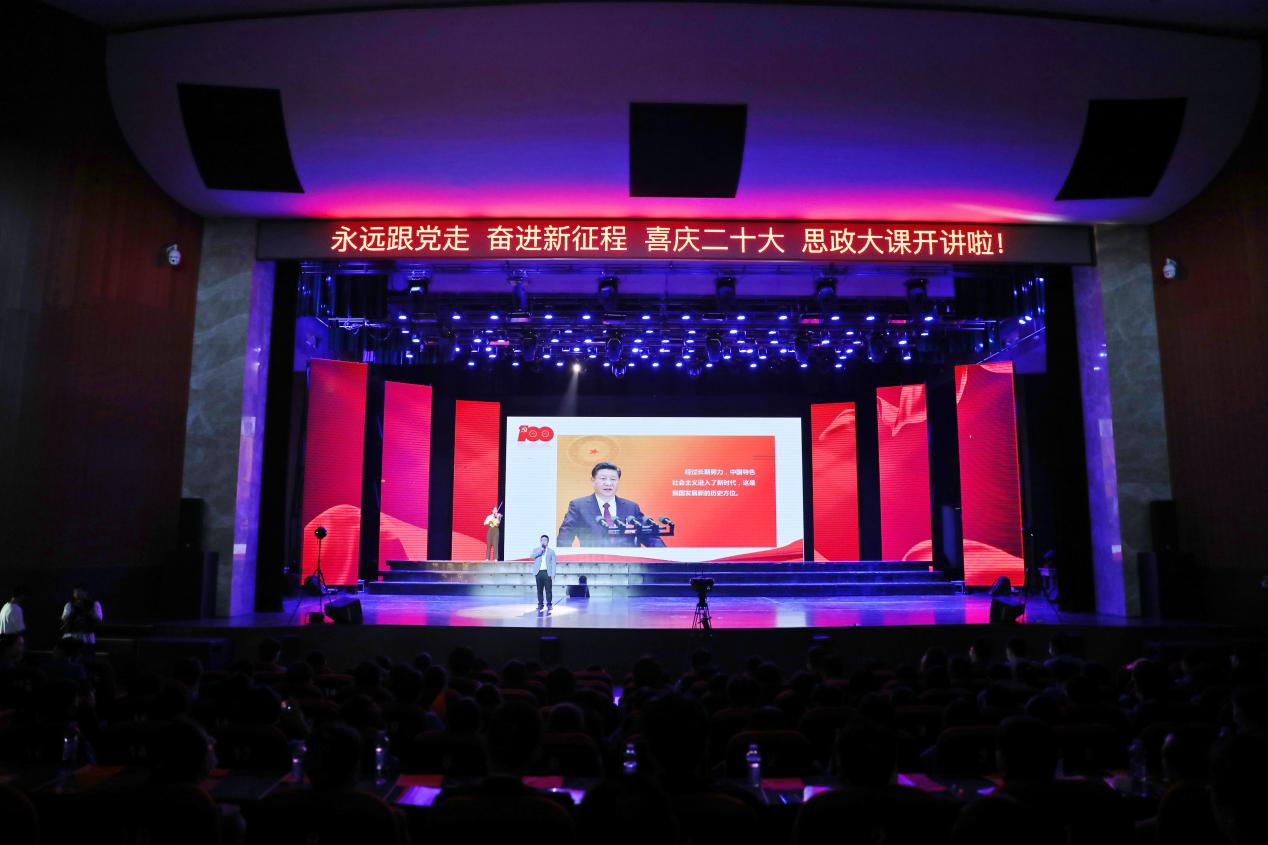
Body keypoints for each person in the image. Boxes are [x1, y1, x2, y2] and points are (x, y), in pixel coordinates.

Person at [556, 461, 666, 547]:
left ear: (618, 482)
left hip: (629, 565)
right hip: (593, 564)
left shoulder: (631, 507)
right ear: (593, 481)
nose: (608, 483)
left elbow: (648, 535)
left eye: (613, 479)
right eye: (603, 479)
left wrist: (665, 554)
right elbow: (565, 537)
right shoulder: (579, 506)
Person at [530, 534, 557, 613]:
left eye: (545, 540)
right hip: (538, 572)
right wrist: (540, 552)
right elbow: (532, 556)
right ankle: (540, 604)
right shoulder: (536, 550)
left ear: (548, 541)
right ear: (540, 541)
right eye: (542, 540)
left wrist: (553, 574)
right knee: (539, 589)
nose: (543, 541)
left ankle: (549, 604)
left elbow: (553, 564)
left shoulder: (551, 551)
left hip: (547, 572)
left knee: (548, 590)